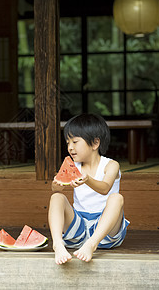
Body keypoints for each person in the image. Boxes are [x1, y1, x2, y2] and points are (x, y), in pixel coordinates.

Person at [48, 113, 129, 265]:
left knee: (116, 198)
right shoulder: (73, 165)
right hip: (78, 227)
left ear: (95, 143)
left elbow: (105, 188)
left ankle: (91, 244)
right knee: (56, 197)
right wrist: (56, 186)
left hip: (105, 231)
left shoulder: (111, 165)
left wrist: (88, 180)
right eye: (68, 143)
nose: (70, 148)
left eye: (75, 142)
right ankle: (58, 244)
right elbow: (56, 190)